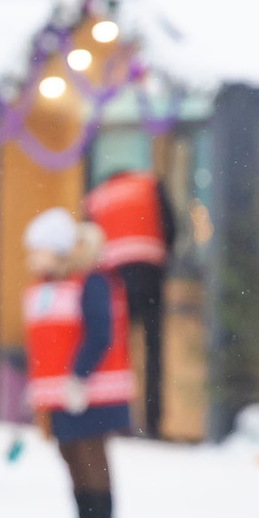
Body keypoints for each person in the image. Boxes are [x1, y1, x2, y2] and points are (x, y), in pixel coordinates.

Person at [22, 209, 130, 518]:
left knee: (90, 450)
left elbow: (100, 333)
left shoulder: (90, 282)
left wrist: (79, 377)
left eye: (38, 249)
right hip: (59, 392)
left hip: (90, 388)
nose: (32, 258)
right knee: (70, 452)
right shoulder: (45, 289)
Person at [86, 168, 176, 438]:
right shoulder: (150, 184)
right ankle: (152, 422)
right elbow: (171, 226)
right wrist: (164, 257)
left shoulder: (97, 196)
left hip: (116, 278)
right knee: (152, 349)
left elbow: (89, 244)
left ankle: (119, 420)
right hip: (149, 272)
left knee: (118, 350)